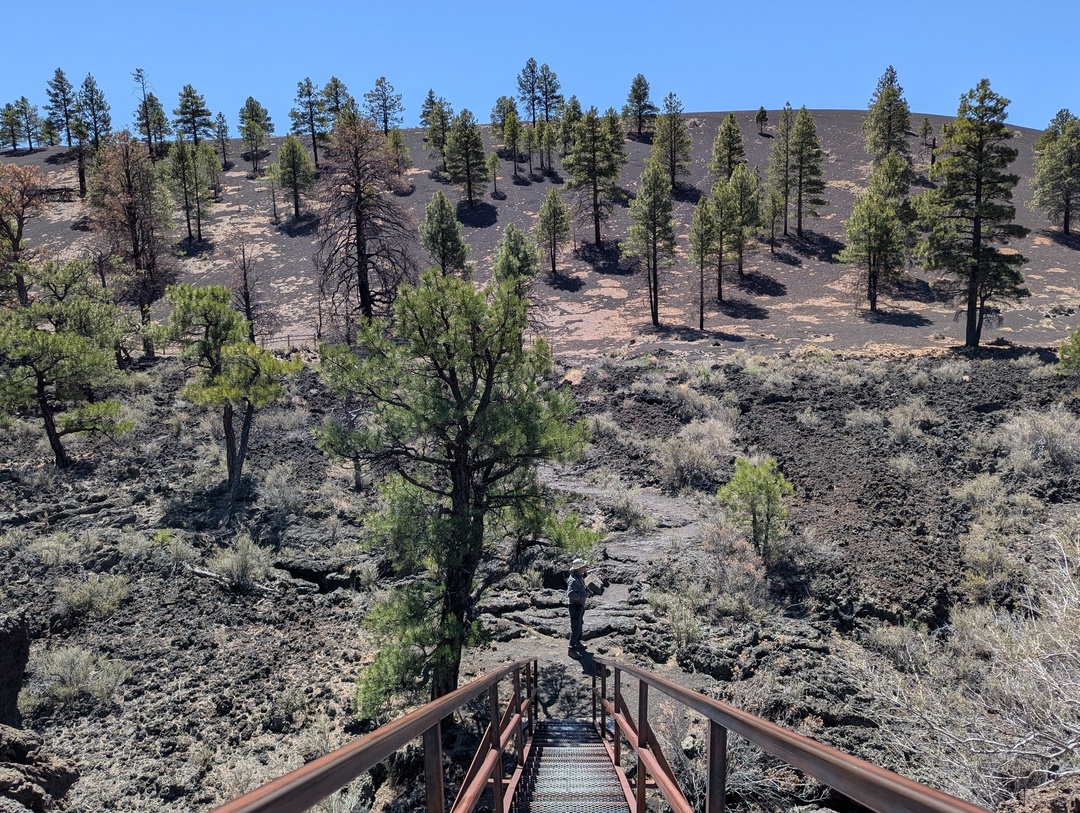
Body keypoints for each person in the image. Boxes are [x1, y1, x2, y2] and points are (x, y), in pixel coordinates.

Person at [567, 557, 588, 655]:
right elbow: (570, 594)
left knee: (580, 625)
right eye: (583, 566)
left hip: (579, 606)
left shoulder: (579, 576)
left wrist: (586, 591)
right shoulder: (573, 580)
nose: (584, 568)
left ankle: (577, 642)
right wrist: (582, 596)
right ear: (578, 568)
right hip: (575, 606)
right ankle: (571, 649)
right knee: (575, 627)